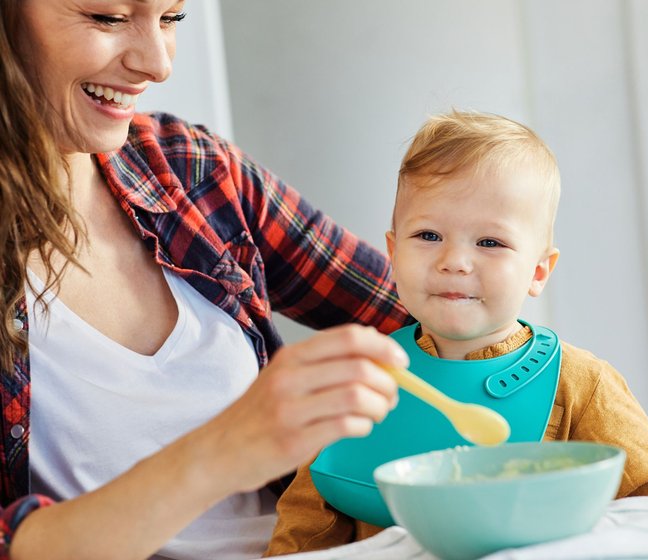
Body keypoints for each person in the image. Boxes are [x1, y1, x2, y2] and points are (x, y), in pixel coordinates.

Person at [0, 1, 415, 559]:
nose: (157, 64)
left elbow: (427, 313)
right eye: (107, 17)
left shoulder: (190, 168)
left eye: (172, 18)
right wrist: (228, 448)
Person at [264, 110, 648, 555]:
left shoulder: (581, 382)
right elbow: (306, 522)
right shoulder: (360, 384)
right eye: (428, 235)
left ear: (538, 270)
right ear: (392, 252)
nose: (454, 261)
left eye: (490, 243)